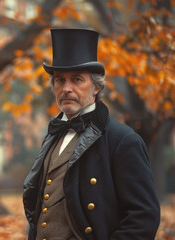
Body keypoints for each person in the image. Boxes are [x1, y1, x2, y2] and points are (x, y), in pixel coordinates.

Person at [23, 28, 160, 240]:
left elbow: (143, 218)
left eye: (77, 79)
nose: (66, 88)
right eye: (60, 80)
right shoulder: (53, 135)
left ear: (95, 87)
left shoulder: (123, 141)